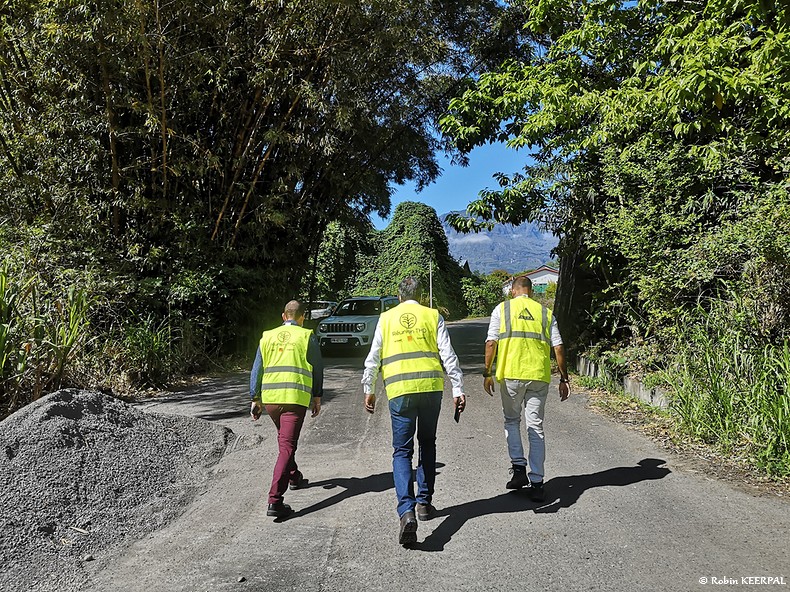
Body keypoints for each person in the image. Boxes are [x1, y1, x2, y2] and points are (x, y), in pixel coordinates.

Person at [362, 277, 466, 545]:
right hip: (431, 390)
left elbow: (373, 356)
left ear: (398, 296)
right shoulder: (432, 316)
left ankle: (406, 510)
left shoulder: (386, 318)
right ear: (420, 296)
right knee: (428, 444)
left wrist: (368, 387)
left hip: (400, 392)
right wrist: (458, 388)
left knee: (402, 451)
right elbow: (447, 354)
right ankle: (424, 503)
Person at [483, 276, 569, 502]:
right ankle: (538, 482)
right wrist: (564, 378)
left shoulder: (502, 309)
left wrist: (487, 372)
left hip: (511, 375)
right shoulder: (545, 313)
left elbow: (491, 342)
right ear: (530, 292)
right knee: (535, 427)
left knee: (512, 421)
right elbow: (558, 347)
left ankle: (519, 470)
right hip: (538, 377)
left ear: (513, 290)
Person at [250, 300, 323, 519]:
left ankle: (294, 476)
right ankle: (275, 500)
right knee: (287, 447)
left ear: (284, 316)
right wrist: (317, 397)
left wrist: (255, 398)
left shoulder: (267, 336)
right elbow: (317, 367)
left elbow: (257, 368)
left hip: (271, 400)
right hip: (294, 399)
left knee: (285, 442)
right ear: (302, 317)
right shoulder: (306, 335)